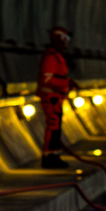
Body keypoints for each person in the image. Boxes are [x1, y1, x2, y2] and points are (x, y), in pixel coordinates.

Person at [38, 26, 81, 168]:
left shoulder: (57, 57)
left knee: (56, 128)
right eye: (63, 40)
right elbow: (48, 79)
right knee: (53, 127)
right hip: (51, 97)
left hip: (56, 97)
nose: (65, 44)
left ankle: (55, 154)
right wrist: (67, 82)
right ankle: (49, 157)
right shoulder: (51, 57)